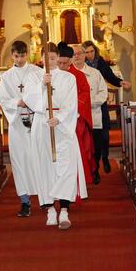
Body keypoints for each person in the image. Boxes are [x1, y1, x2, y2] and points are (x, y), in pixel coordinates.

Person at [23, 43, 87, 230]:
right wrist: (42, 85)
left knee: (66, 166)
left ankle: (64, 210)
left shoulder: (68, 78)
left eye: (52, 58)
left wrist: (59, 118)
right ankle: (50, 209)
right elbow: (29, 99)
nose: (49, 61)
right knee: (45, 167)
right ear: (40, 59)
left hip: (62, 126)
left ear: (57, 58)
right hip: (42, 123)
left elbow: (72, 103)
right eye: (46, 58)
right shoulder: (33, 77)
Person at [0, 40, 43, 217]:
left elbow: (44, 93)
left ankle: (45, 197)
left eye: (23, 56)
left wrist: (31, 102)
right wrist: (18, 102)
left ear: (27, 54)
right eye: (17, 56)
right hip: (17, 125)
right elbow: (2, 99)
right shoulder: (7, 77)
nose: (20, 59)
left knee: (39, 158)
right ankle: (25, 201)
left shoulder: (37, 72)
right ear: (12, 56)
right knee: (19, 161)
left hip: (37, 121)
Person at [82, 40, 131, 173]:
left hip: (99, 101)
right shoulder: (81, 66)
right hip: (86, 104)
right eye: (87, 52)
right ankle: (94, 163)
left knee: (104, 133)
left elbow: (110, 76)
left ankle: (105, 157)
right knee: (91, 135)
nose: (90, 54)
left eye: (92, 51)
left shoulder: (100, 62)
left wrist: (120, 82)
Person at [57, 43, 96, 185]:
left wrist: (71, 108)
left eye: (65, 63)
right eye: (59, 63)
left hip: (75, 119)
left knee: (79, 149)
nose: (62, 66)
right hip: (57, 119)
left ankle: (80, 179)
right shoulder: (54, 75)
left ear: (70, 60)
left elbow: (85, 94)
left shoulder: (78, 75)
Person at [72, 44, 107, 184]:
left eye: (80, 53)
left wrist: (88, 103)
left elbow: (103, 93)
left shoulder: (95, 73)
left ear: (84, 55)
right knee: (80, 147)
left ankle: (95, 169)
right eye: (74, 54)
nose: (77, 56)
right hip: (76, 118)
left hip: (93, 115)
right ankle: (80, 172)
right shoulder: (67, 74)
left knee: (96, 146)